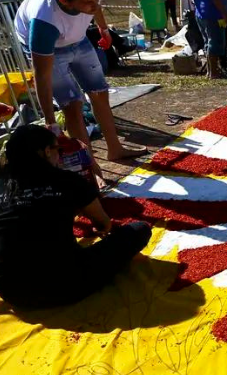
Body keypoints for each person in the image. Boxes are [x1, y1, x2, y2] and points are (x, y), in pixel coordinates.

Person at [0, 124, 152, 309]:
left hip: (12, 294)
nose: (60, 156)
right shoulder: (67, 181)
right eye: (59, 150)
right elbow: (103, 223)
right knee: (138, 230)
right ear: (47, 151)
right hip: (67, 287)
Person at [13, 0, 146, 170]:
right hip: (51, 48)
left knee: (100, 91)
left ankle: (115, 148)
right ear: (65, 1)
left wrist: (103, 29)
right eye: (86, 1)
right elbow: (42, 76)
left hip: (78, 38)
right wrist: (50, 121)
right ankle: (91, 166)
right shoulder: (44, 22)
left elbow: (96, 6)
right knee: (72, 105)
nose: (94, 4)